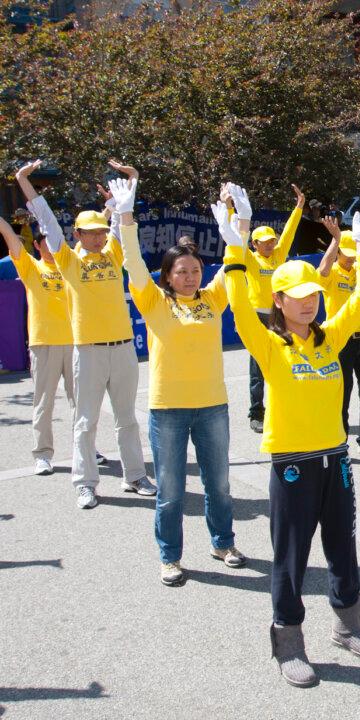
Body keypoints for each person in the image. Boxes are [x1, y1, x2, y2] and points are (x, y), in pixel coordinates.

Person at [216, 186, 360, 688]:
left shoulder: (332, 336)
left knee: (342, 547)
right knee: (290, 556)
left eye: (314, 295)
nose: (308, 304)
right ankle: (288, 642)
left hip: (336, 459)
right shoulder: (269, 345)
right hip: (291, 463)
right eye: (297, 297)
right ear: (279, 300)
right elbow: (240, 309)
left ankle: (346, 626)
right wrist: (236, 247)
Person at [108, 176, 245, 586]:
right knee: (170, 490)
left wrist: (236, 219)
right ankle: (170, 557)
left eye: (196, 270)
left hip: (212, 406)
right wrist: (126, 215)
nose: (190, 276)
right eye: (181, 271)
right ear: (166, 276)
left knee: (218, 484)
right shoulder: (153, 300)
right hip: (167, 409)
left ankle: (223, 542)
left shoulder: (212, 298)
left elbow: (236, 260)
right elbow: (132, 260)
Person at [17, 160, 155, 509]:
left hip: (123, 348)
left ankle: (135, 475)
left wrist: (132, 181)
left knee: (127, 419)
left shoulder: (112, 253)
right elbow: (47, 221)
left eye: (100, 231)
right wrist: (23, 182)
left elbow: (123, 217)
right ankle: (85, 483)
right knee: (85, 422)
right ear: (76, 235)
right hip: (89, 351)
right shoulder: (69, 261)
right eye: (89, 232)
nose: (97, 236)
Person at [0, 215, 79, 476]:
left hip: (76, 343)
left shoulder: (71, 267)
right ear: (37, 245)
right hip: (44, 344)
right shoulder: (32, 268)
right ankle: (43, 454)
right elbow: (12, 241)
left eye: (56, 242)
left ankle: (84, 448)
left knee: (81, 402)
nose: (52, 247)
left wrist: (112, 209)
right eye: (46, 242)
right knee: (44, 403)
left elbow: (93, 238)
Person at [316, 203, 360, 456]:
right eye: (347, 253)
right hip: (340, 339)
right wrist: (336, 240)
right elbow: (320, 272)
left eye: (354, 253)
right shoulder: (331, 273)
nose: (351, 258)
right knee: (341, 395)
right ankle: (339, 442)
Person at [246, 184, 305, 433]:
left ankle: (285, 407)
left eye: (272, 241)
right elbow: (235, 241)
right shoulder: (250, 259)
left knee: (286, 361)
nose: (270, 245)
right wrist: (229, 210)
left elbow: (289, 231)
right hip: (258, 318)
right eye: (265, 242)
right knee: (258, 368)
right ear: (255, 244)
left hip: (278, 316)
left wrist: (299, 207)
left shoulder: (279, 255)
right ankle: (256, 413)